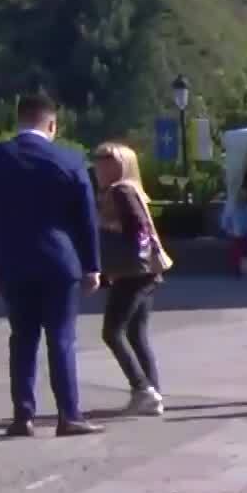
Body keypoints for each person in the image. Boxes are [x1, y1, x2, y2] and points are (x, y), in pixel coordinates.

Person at [0, 93, 103, 437]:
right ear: (52, 124)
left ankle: (23, 416)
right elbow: (87, 218)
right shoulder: (70, 160)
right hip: (60, 262)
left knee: (22, 338)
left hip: (11, 261)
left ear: (19, 120)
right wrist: (92, 266)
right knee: (61, 338)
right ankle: (69, 416)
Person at [93, 142, 172, 416]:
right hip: (144, 271)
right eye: (98, 161)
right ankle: (152, 393)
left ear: (123, 165)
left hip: (133, 272)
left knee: (112, 332)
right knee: (136, 333)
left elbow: (139, 228)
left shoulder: (120, 190)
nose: (99, 167)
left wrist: (116, 239)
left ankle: (143, 389)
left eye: (107, 162)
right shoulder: (129, 189)